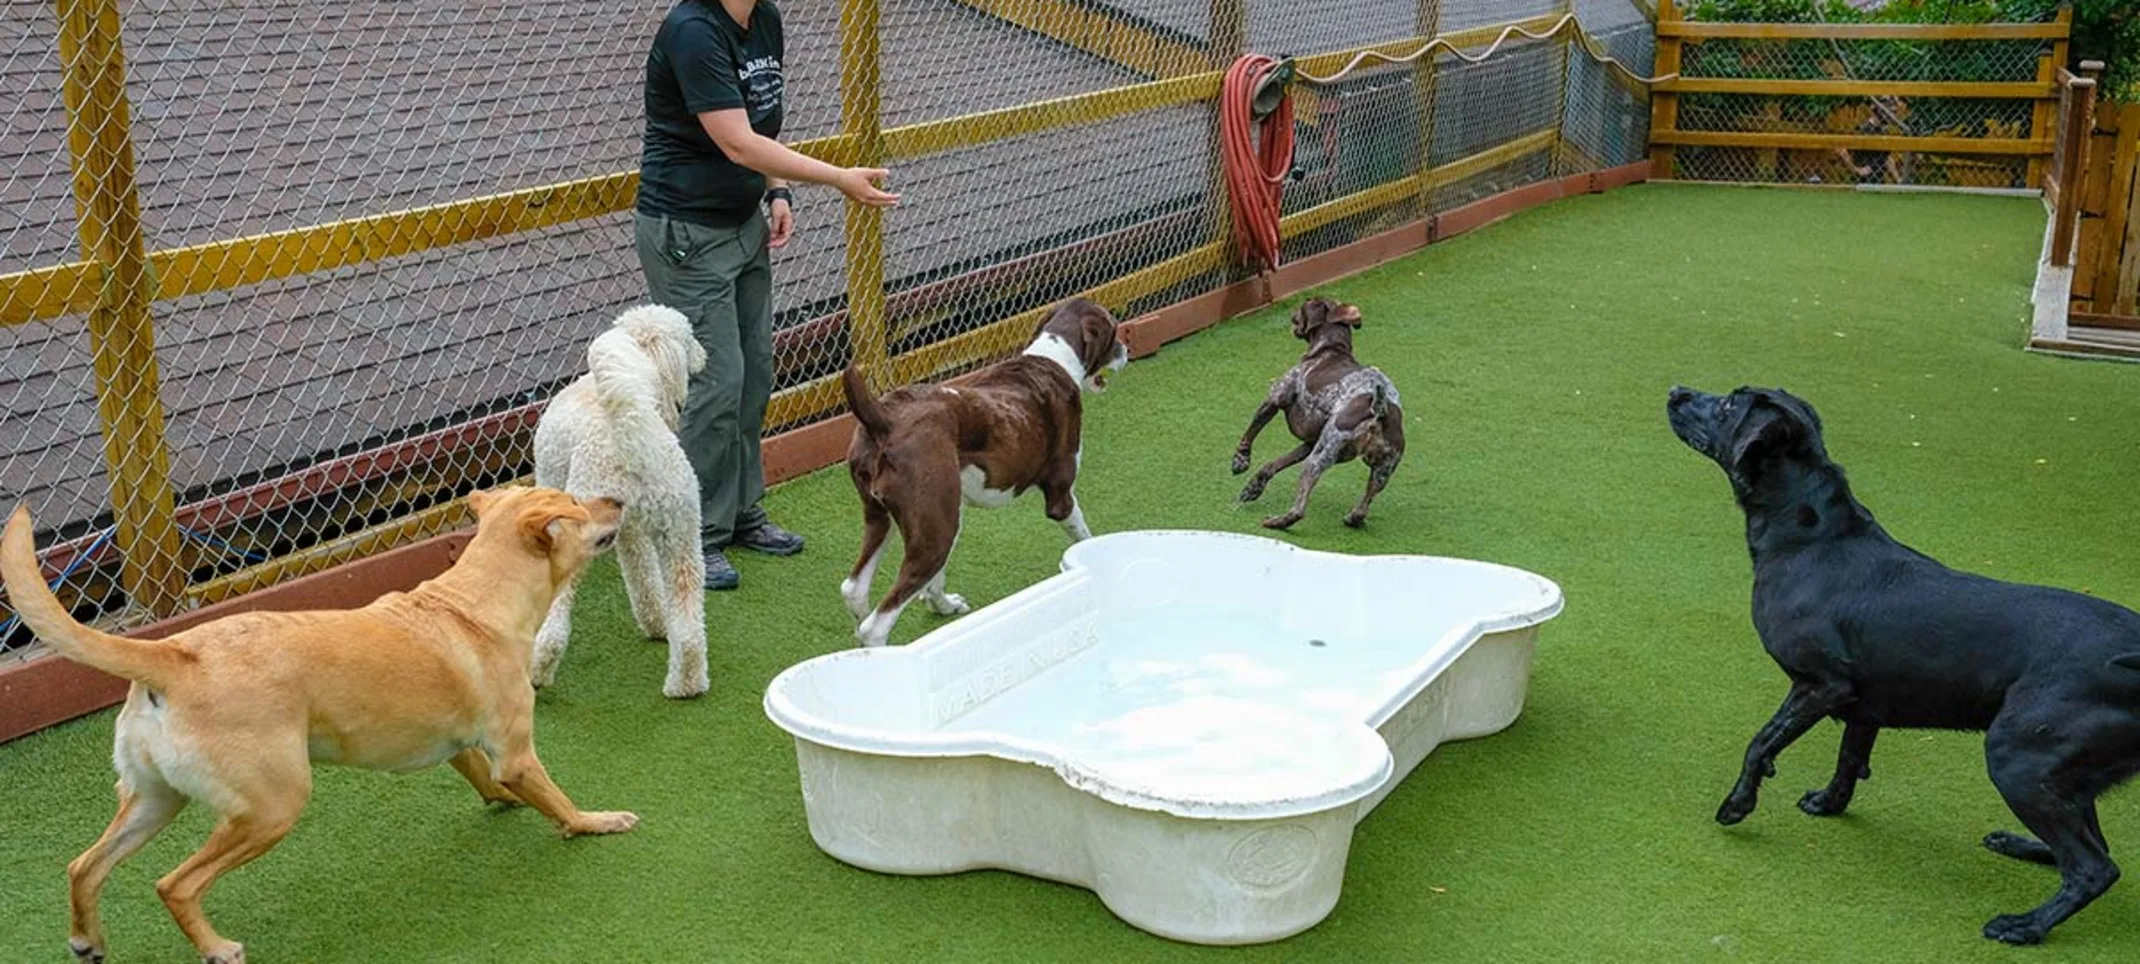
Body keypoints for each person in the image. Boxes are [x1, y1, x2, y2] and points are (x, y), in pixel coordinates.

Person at [638, 0, 899, 589]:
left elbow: (762, 130)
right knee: (716, 381)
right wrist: (835, 177)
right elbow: (736, 143)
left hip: (741, 222)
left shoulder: (765, 20)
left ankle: (739, 511)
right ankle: (693, 535)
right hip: (687, 232)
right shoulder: (693, 31)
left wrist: (779, 192)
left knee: (755, 373)